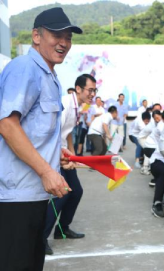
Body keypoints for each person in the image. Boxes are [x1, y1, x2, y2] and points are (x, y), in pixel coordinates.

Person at [0, 7, 81, 270]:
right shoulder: (25, 68)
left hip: (34, 195)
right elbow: (7, 125)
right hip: (16, 197)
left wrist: (56, 153)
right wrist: (47, 171)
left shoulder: (50, 75)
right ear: (36, 35)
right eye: (57, 35)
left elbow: (32, 130)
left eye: (68, 37)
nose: (64, 43)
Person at [44, 74, 96, 255]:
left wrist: (73, 155)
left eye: (94, 91)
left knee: (76, 191)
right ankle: (41, 238)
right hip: (54, 155)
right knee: (62, 194)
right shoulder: (65, 104)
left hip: (64, 153)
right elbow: (51, 133)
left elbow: (67, 133)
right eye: (90, 90)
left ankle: (62, 229)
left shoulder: (77, 107)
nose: (92, 94)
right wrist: (60, 157)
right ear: (78, 89)